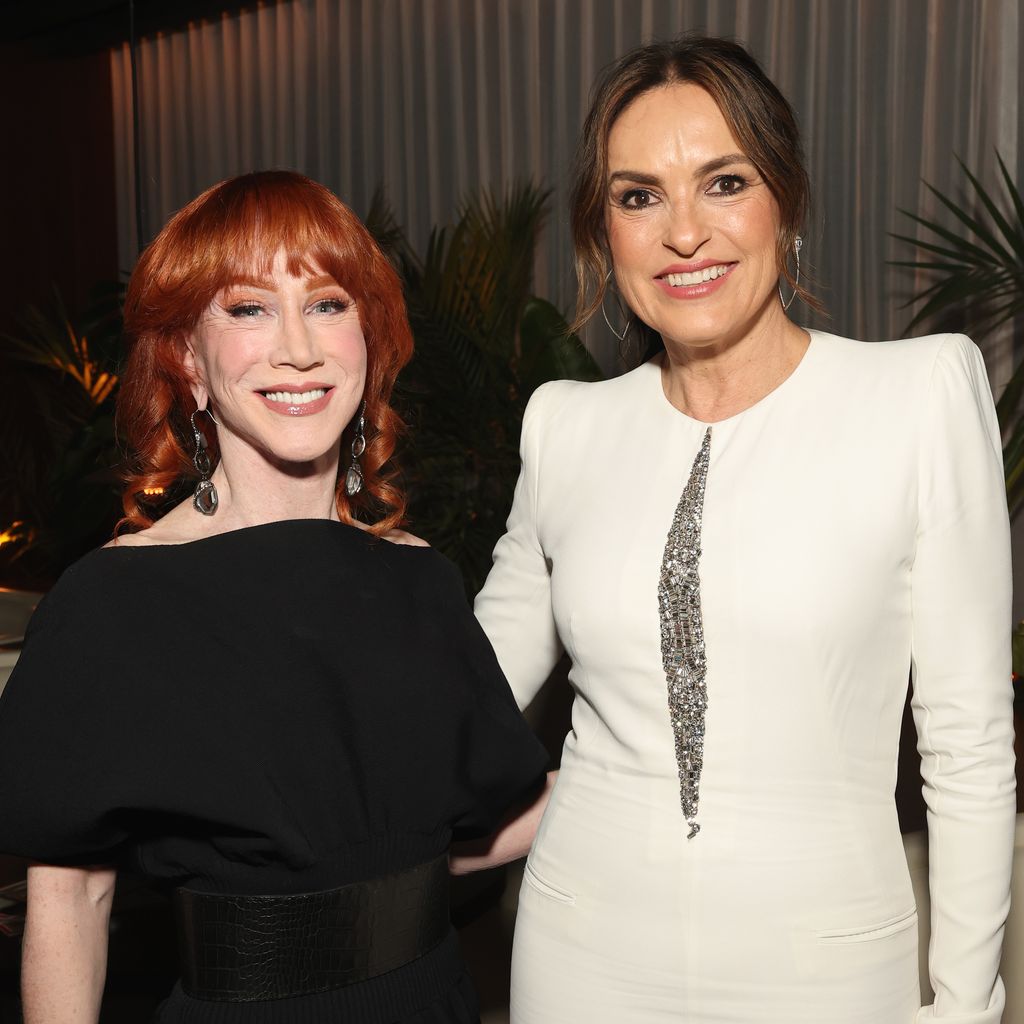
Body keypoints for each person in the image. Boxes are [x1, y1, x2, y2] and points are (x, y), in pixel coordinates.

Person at [474, 35, 1015, 1024]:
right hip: (576, 953)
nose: (684, 233)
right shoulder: (565, 424)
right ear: (604, 233)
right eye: (639, 196)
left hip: (825, 968)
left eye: (722, 182)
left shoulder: (915, 397)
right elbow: (456, 702)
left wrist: (964, 1001)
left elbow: (969, 742)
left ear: (785, 200)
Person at [0, 170, 549, 1023]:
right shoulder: (113, 602)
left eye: (328, 304)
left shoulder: (419, 579)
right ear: (187, 356)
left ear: (369, 336)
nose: (298, 346)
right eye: (249, 308)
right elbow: (71, 905)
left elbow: (456, 843)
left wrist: (638, 771)